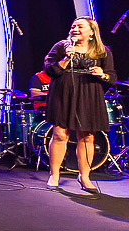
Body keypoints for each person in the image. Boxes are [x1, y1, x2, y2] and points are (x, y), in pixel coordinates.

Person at [43, 17, 115, 193]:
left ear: (92, 32)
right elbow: (49, 69)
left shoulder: (102, 51)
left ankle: (84, 177)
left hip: (89, 94)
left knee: (87, 136)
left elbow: (112, 77)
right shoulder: (61, 47)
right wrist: (66, 58)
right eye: (73, 26)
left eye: (80, 26)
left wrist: (102, 75)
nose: (75, 28)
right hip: (63, 92)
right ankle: (54, 175)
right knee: (60, 134)